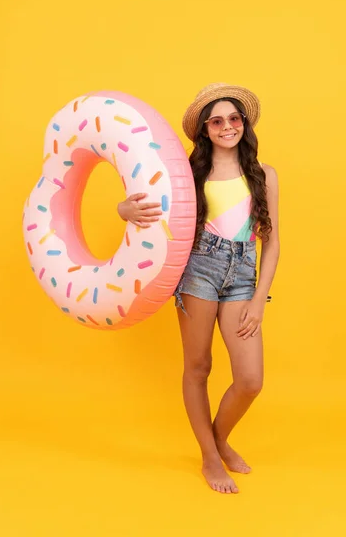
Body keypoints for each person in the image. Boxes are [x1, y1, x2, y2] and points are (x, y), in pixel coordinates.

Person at [117, 82, 280, 495]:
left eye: (234, 118)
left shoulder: (264, 175)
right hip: (199, 270)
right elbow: (143, 209)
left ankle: (218, 438)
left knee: (250, 379)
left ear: (245, 123)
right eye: (217, 120)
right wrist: (124, 209)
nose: (227, 126)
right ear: (205, 130)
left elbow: (273, 242)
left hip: (243, 273)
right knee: (199, 367)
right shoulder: (188, 175)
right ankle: (209, 456)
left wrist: (259, 299)